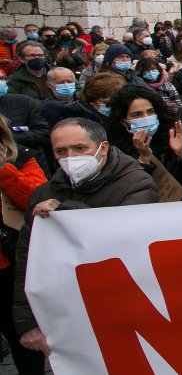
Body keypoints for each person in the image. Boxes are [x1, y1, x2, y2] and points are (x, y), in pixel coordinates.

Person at [14, 117, 157, 358]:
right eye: (61, 151)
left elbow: (123, 239)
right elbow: (28, 258)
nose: (70, 156)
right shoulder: (44, 193)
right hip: (71, 311)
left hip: (125, 307)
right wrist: (27, 321)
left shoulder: (136, 183)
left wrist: (65, 212)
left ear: (103, 148)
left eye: (80, 148)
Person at [0, 118, 46, 375]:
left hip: (10, 265)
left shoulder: (20, 157)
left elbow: (36, 199)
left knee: (23, 340)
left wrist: (4, 171)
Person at [105, 86, 182, 196]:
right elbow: (126, 191)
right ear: (124, 121)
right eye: (137, 115)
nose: (146, 117)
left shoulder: (174, 135)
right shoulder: (114, 149)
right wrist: (143, 160)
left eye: (150, 112)